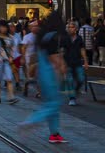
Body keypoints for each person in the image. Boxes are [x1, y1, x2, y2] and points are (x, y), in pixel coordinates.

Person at [21, 11, 68, 144]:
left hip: (42, 73)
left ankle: (54, 134)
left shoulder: (42, 36)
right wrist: (63, 66)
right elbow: (53, 57)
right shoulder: (53, 36)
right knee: (54, 104)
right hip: (51, 74)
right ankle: (31, 121)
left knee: (52, 103)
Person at [0, 20, 19, 104]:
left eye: (4, 27)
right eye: (1, 27)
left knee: (9, 79)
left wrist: (11, 57)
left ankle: (11, 97)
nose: (3, 29)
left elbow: (12, 48)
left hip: (6, 61)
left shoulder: (10, 38)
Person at [61, 22, 87, 106]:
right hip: (68, 62)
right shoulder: (65, 38)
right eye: (68, 27)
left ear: (76, 29)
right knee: (70, 80)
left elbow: (82, 49)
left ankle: (75, 91)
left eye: (71, 27)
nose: (70, 29)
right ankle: (72, 98)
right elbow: (62, 51)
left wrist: (85, 61)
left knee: (81, 79)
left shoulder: (79, 38)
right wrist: (62, 63)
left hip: (78, 62)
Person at [21, 21, 39, 96]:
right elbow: (23, 48)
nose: (35, 27)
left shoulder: (40, 36)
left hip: (38, 57)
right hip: (29, 58)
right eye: (33, 26)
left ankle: (39, 92)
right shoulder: (27, 37)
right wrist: (23, 58)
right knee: (30, 76)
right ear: (30, 27)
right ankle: (26, 85)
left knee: (38, 75)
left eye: (36, 26)